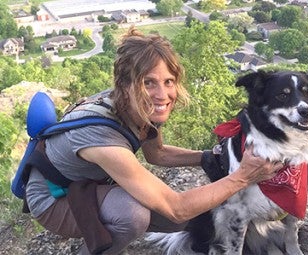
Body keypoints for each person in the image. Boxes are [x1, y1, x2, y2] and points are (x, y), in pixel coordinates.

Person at [25, 27, 282, 255]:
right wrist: (243, 177)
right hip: (52, 198)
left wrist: (211, 155)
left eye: (168, 81)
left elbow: (156, 154)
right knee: (133, 215)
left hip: (88, 184)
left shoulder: (139, 108)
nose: (162, 95)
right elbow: (176, 208)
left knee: (188, 216)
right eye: (149, 82)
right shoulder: (100, 135)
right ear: (125, 84)